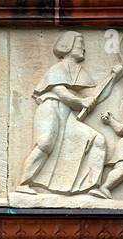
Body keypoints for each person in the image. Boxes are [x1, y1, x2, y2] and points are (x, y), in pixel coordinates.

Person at [16, 31, 111, 195]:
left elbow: (95, 95)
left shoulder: (80, 71)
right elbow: (60, 91)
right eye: (80, 45)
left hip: (68, 116)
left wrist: (113, 77)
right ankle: (24, 183)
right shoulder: (57, 69)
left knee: (98, 140)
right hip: (51, 108)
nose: (84, 49)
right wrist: (81, 102)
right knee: (45, 143)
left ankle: (93, 187)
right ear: (68, 46)